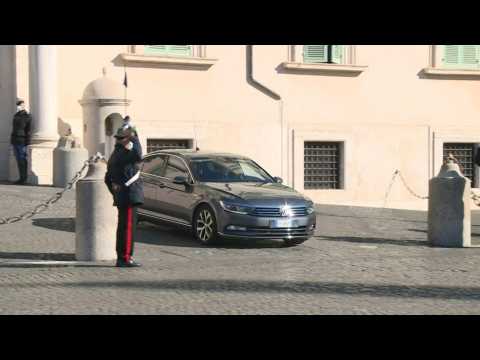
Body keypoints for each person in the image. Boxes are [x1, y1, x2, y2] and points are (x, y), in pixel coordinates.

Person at [105, 125, 144, 268]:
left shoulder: (115, 155)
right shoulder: (126, 155)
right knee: (127, 228)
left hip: (123, 196)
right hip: (129, 196)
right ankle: (125, 258)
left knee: (122, 228)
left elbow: (107, 179)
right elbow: (139, 154)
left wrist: (115, 192)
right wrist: (135, 136)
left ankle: (122, 256)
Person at [10, 99, 32, 185]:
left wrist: (27, 142)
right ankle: (21, 177)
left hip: (22, 140)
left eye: (20, 105)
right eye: (18, 105)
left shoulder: (27, 116)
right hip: (15, 139)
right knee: (18, 159)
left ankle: (24, 178)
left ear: (23, 105)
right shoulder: (16, 115)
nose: (18, 106)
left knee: (22, 159)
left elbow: (28, 130)